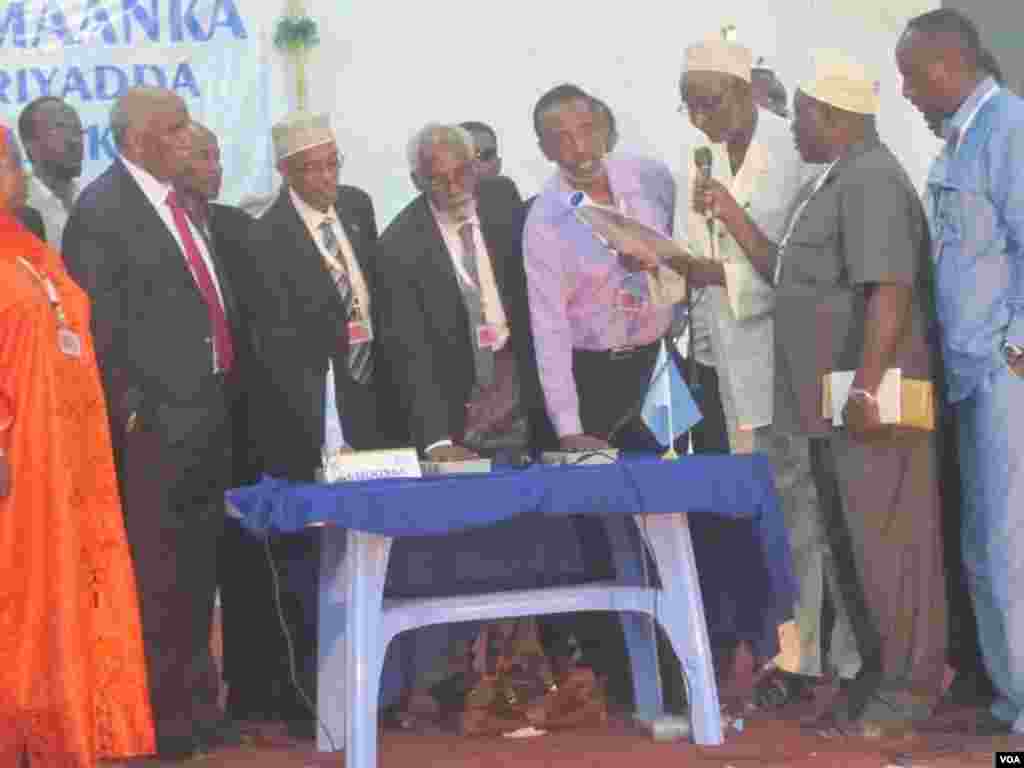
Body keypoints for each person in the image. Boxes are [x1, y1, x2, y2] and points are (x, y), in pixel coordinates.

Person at [692, 49, 947, 734]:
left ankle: (910, 692)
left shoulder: (870, 181)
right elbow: (788, 275)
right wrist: (727, 213)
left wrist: (865, 387)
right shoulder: (833, 179)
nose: (791, 125)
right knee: (854, 547)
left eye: (800, 114)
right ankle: (874, 683)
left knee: (891, 548)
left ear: (834, 116)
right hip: (831, 401)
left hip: (872, 399)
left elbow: (888, 292)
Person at [672, 35, 859, 706]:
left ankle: (841, 656)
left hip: (795, 354)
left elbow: (807, 268)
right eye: (689, 105)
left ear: (748, 91)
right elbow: (695, 255)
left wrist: (716, 272)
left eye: (710, 103)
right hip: (732, 362)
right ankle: (793, 654)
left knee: (817, 510)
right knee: (770, 515)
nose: (700, 118)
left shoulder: (796, 152)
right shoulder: (699, 156)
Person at [62, 86, 243, 759]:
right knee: (158, 583)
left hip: (207, 418)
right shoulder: (102, 210)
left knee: (198, 576)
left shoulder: (180, 204)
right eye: (174, 128)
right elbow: (98, 328)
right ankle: (161, 722)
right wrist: (135, 414)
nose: (188, 137)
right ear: (136, 139)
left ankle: (197, 707)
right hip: (153, 435)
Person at [376, 121, 568, 728]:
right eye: (441, 178)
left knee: (531, 542)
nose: (457, 186)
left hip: (521, 397)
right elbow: (409, 354)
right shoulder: (400, 243)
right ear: (416, 182)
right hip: (458, 410)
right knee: (460, 550)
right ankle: (456, 682)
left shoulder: (507, 204)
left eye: (465, 172)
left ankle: (523, 676)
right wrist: (439, 439)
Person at [0, 125, 155, 767]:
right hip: (15, 460)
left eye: (7, 161)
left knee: (66, 593)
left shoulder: (34, 248)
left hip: (69, 457)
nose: (6, 172)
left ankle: (68, 727)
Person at [233, 111, 384, 736]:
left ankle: (375, 684)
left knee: (370, 549)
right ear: (287, 173)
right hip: (307, 417)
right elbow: (272, 346)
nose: (326, 178)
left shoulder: (356, 209)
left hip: (370, 404)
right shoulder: (265, 237)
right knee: (310, 559)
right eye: (312, 169)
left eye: (332, 164)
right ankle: (312, 695)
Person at [897, 8, 1024, 734]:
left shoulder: (1008, 129)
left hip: (1006, 374)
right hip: (971, 372)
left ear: (949, 63)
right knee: (986, 544)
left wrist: (1017, 346)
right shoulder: (957, 143)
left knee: (1009, 544)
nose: (907, 92)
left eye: (912, 77)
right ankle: (1011, 699)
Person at [17, 96, 83, 249]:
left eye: (77, 130)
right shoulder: (18, 207)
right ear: (30, 145)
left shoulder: (95, 200)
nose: (74, 140)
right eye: (59, 130)